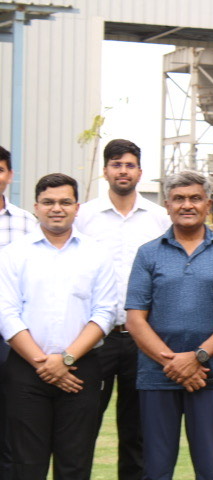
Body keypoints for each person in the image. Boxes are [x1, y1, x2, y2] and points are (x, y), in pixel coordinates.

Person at [125, 170, 213, 480]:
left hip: (209, 375)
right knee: (156, 470)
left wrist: (197, 357)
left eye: (195, 198)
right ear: (167, 205)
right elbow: (135, 319)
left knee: (210, 469)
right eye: (179, 199)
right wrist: (173, 363)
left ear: (208, 204)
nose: (187, 205)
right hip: (157, 376)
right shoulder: (148, 253)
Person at [0, 173, 117, 479]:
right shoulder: (13, 254)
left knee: (75, 465)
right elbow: (7, 314)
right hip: (26, 369)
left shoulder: (97, 253)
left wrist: (65, 360)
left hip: (80, 369)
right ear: (36, 206)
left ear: (77, 208)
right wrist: (44, 364)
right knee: (26, 466)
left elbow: (104, 313)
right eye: (48, 202)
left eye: (65, 202)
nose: (56, 208)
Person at [75, 139, 171, 480]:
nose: (123, 171)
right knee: (82, 426)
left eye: (129, 165)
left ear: (140, 172)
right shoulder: (84, 217)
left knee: (137, 432)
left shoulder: (159, 219)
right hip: (95, 339)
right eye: (116, 165)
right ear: (105, 171)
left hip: (142, 340)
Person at [0, 145, 36, 479]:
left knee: (13, 421)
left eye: (0, 170)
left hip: (13, 338)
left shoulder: (26, 223)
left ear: (10, 175)